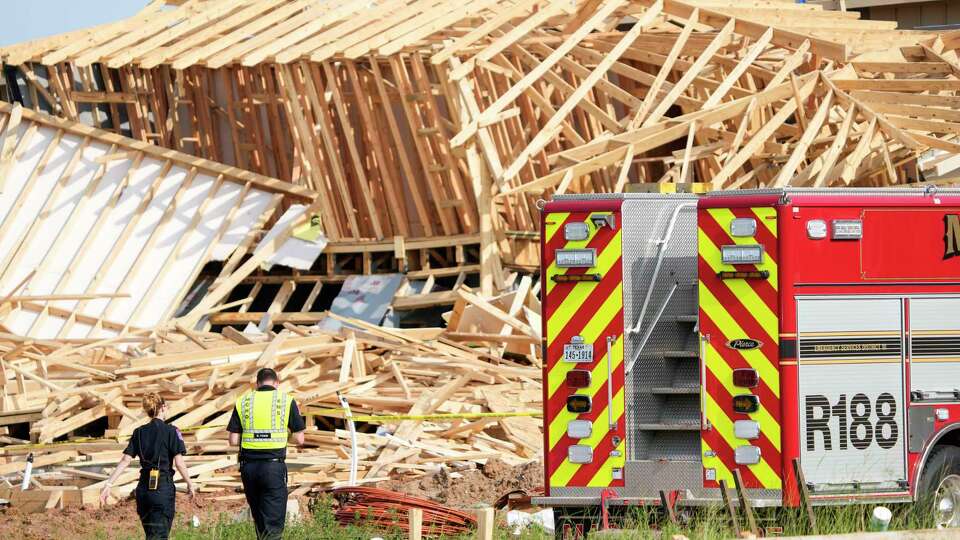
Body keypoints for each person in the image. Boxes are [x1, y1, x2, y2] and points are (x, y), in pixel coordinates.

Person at [100, 392, 196, 540]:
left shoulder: (138, 433)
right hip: (162, 489)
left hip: (143, 491)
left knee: (151, 535)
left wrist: (108, 484)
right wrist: (190, 483)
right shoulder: (172, 431)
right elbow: (179, 463)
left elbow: (125, 460)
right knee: (160, 536)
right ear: (163, 407)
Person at [228, 367, 306, 540]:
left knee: (260, 522)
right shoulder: (286, 401)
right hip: (273, 467)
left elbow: (233, 440)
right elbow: (300, 439)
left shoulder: (243, 401)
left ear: (257, 384)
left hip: (249, 469)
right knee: (273, 524)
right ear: (276, 383)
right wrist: (284, 438)